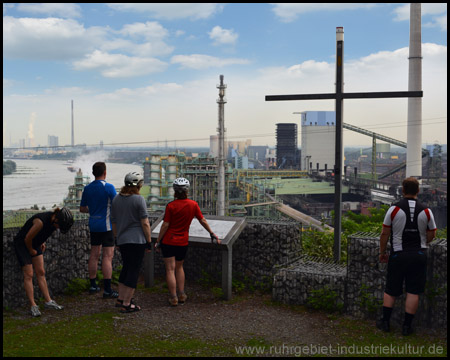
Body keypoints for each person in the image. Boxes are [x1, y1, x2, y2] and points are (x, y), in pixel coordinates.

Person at [377, 177, 437, 336]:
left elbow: (385, 233)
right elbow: (432, 233)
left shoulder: (394, 209)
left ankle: (385, 322)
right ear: (418, 191)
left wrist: (382, 252)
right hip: (418, 254)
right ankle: (406, 327)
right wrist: (424, 241)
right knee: (413, 291)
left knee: (391, 290)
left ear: (402, 190)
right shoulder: (426, 210)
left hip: (398, 254)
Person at [156, 177, 220, 307]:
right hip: (183, 241)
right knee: (179, 267)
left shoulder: (171, 206)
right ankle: (182, 294)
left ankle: (173, 297)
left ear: (174, 191)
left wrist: (158, 241)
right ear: (187, 190)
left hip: (169, 240)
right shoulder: (193, 205)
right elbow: (202, 220)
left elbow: (165, 225)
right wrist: (212, 233)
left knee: (170, 269)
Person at [13, 207, 74, 317]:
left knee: (41, 272)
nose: (58, 228)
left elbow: (44, 233)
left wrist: (42, 241)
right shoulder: (40, 221)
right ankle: (33, 305)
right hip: (23, 243)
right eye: (59, 225)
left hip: (35, 243)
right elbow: (27, 238)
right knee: (29, 274)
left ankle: (48, 301)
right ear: (56, 219)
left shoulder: (54, 223)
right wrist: (31, 250)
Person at [111, 171, 152, 313]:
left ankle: (121, 298)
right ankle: (127, 303)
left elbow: (114, 222)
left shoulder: (116, 199)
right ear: (139, 185)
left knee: (126, 268)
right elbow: (145, 223)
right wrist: (149, 241)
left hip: (122, 240)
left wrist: (117, 238)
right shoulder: (138, 199)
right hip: (137, 240)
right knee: (134, 271)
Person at [80, 162, 118, 299]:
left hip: (93, 224)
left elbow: (82, 208)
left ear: (93, 173)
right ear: (105, 172)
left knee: (94, 255)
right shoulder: (109, 187)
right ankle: (107, 289)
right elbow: (117, 204)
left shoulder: (87, 188)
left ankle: (93, 285)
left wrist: (93, 210)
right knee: (107, 256)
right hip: (106, 226)